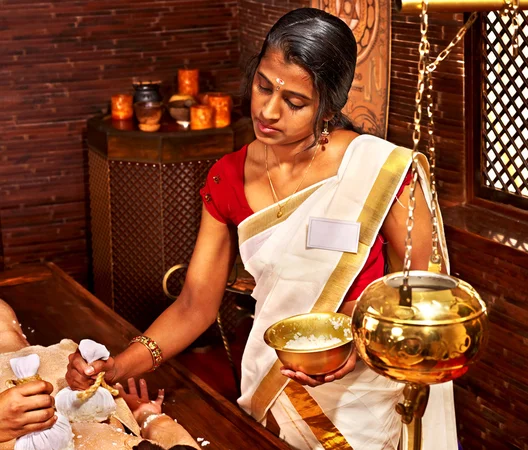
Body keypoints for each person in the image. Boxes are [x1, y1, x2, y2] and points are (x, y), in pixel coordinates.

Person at [66, 8, 456, 449]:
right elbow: (196, 303)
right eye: (263, 86)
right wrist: (119, 366)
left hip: (362, 393)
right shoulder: (227, 177)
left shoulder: (380, 170)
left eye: (294, 102)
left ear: (328, 105)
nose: (269, 111)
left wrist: (360, 346)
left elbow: (420, 296)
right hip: (275, 384)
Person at [0, 299, 200, 449]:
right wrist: (148, 416)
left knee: (9, 338)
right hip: (81, 395)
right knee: (10, 335)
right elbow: (181, 443)